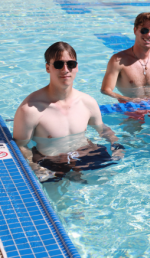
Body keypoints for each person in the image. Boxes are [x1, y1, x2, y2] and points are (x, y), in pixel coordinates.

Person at [13, 42, 121, 182]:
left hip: (86, 155)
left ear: (76, 67)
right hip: (51, 162)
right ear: (48, 67)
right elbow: (20, 146)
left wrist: (115, 144)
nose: (65, 69)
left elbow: (102, 128)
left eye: (71, 64)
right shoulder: (30, 109)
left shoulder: (87, 102)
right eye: (59, 64)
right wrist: (35, 167)